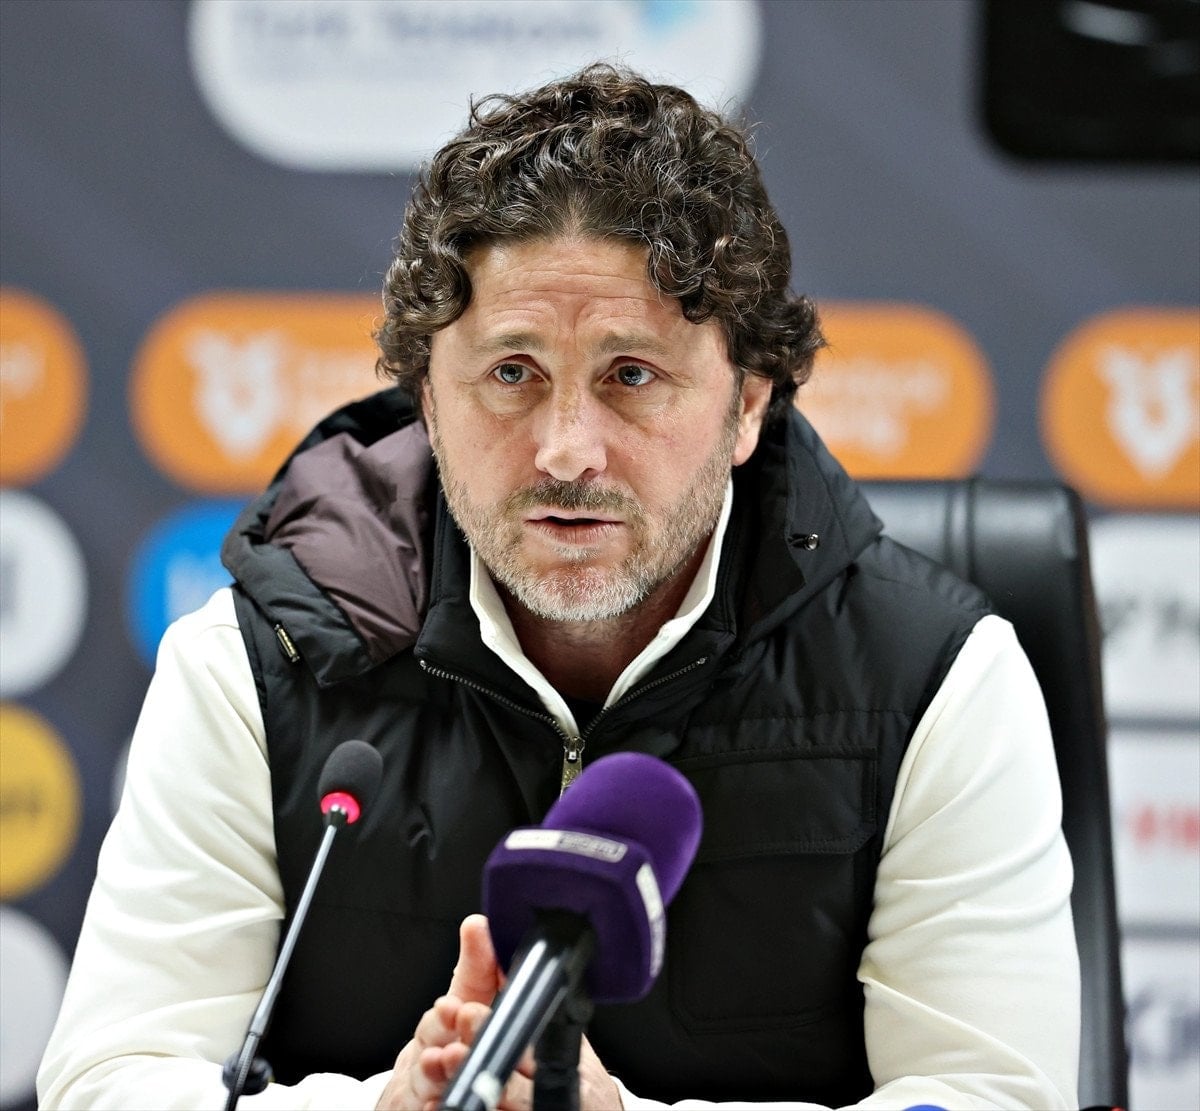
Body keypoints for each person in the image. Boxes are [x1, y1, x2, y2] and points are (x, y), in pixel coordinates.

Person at [38, 65, 1080, 1110]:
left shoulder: (934, 679)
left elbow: (992, 1095)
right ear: (428, 400)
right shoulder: (257, 664)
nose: (567, 450)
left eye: (631, 375)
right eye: (512, 373)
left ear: (748, 404)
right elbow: (108, 1083)